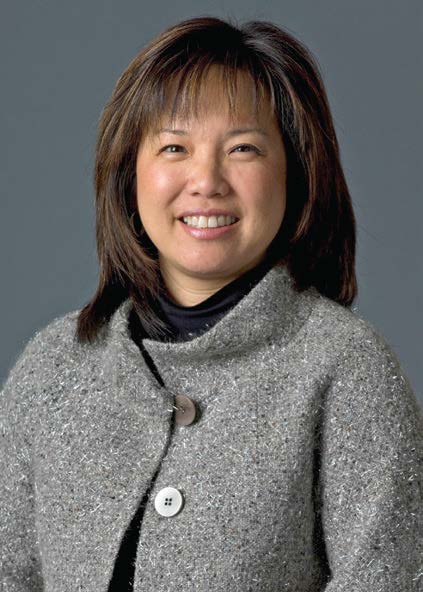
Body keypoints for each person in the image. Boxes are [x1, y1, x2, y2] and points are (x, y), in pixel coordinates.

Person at [1, 15, 422, 592]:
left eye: (243, 148)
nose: (206, 180)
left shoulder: (347, 369)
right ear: (130, 172)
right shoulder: (53, 366)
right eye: (174, 147)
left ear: (296, 173)